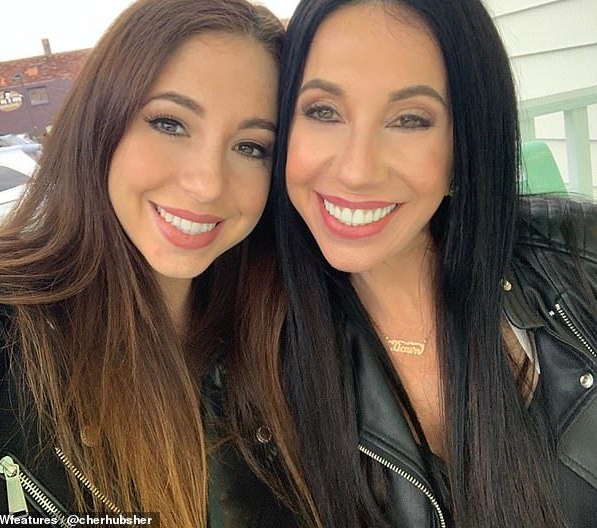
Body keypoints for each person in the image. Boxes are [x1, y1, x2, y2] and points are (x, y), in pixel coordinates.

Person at [227, 0, 597, 527]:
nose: (357, 170)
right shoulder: (249, 361)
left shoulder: (580, 259)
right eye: (324, 111)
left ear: (464, 142)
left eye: (409, 120)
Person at [0, 0, 284, 525]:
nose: (207, 183)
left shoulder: (289, 339)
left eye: (251, 147)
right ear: (100, 121)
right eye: (170, 123)